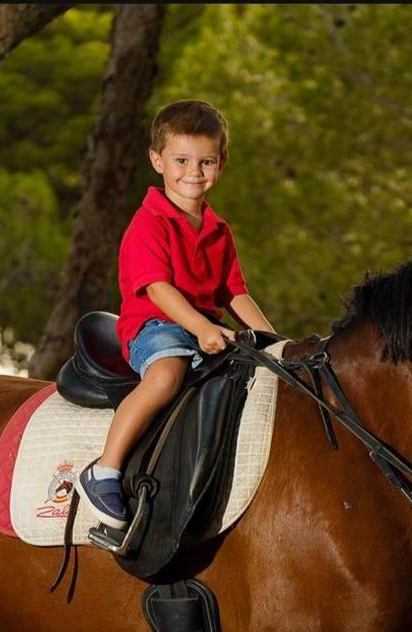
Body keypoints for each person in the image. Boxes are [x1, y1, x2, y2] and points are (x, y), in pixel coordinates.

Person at [76, 99, 275, 550]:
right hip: (156, 326)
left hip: (205, 327)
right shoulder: (148, 223)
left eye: (206, 161)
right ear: (157, 160)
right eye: (182, 161)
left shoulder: (219, 230)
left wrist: (274, 341)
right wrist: (202, 329)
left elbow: (235, 293)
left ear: (221, 162)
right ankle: (105, 470)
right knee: (167, 375)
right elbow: (158, 290)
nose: (195, 172)